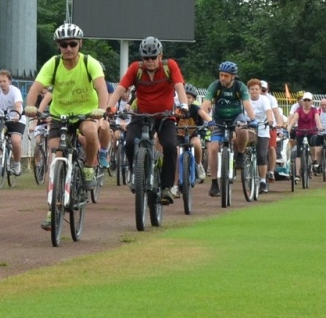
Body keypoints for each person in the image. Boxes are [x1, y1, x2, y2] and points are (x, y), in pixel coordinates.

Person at [26, 23, 109, 230]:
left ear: (80, 44)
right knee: (56, 158)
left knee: (90, 131)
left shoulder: (90, 63)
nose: (69, 48)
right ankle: (51, 207)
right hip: (59, 115)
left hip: (85, 113)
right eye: (64, 44)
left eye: (73, 43)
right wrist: (29, 106)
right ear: (58, 46)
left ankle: (89, 168)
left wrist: (101, 109)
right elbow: (36, 88)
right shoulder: (53, 64)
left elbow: (101, 87)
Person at [110, 36, 187, 201]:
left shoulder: (169, 66)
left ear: (160, 55)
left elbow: (179, 86)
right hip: (142, 115)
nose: (150, 61)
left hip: (165, 116)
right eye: (146, 58)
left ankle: (166, 187)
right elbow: (120, 89)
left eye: (153, 57)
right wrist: (109, 107)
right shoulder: (135, 69)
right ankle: (134, 172)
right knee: (130, 141)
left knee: (170, 146)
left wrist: (184, 104)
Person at [205, 63, 258, 194]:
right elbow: (205, 104)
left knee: (242, 128)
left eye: (226, 76)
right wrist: (208, 120)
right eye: (221, 75)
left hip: (236, 116)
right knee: (213, 148)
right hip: (218, 119)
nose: (222, 78)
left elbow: (246, 104)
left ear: (233, 76)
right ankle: (214, 183)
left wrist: (252, 119)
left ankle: (240, 153)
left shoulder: (240, 87)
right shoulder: (215, 86)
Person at [0, 68, 25, 185]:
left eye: (4, 81)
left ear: (9, 81)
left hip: (16, 119)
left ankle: (16, 163)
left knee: (15, 141)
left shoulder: (15, 91)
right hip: (2, 119)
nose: (1, 84)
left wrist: (17, 114)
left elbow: (18, 104)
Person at [284, 92, 324, 178]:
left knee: (313, 143)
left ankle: (314, 160)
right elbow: (295, 118)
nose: (306, 102)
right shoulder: (299, 110)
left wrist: (320, 126)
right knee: (298, 152)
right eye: (305, 100)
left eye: (308, 100)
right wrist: (290, 125)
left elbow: (317, 119)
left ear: (311, 101)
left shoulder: (314, 110)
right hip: (300, 131)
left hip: (311, 131)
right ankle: (297, 174)